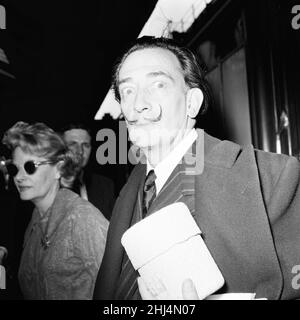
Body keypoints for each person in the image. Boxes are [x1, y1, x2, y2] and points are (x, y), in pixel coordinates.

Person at [93, 36, 300, 300]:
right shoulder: (128, 194)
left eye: (158, 84)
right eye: (128, 91)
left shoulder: (272, 180)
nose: (139, 104)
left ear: (192, 102)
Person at [2, 121, 108, 299]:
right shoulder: (35, 221)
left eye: (30, 167)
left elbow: (121, 285)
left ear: (58, 168)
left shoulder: (82, 218)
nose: (19, 177)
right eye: (14, 168)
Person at [62, 123, 115, 220]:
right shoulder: (48, 188)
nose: (80, 151)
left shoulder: (105, 185)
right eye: (72, 144)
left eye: (85, 145)